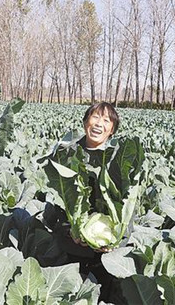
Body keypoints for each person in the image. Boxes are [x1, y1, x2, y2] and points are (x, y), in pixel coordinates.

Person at [49, 102, 123, 303]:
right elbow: (55, 203)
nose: (99, 123)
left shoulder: (119, 159)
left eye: (106, 120)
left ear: (112, 130)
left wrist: (118, 240)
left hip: (107, 257)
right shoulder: (65, 154)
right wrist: (69, 230)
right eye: (95, 117)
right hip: (71, 251)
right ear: (85, 123)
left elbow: (129, 205)